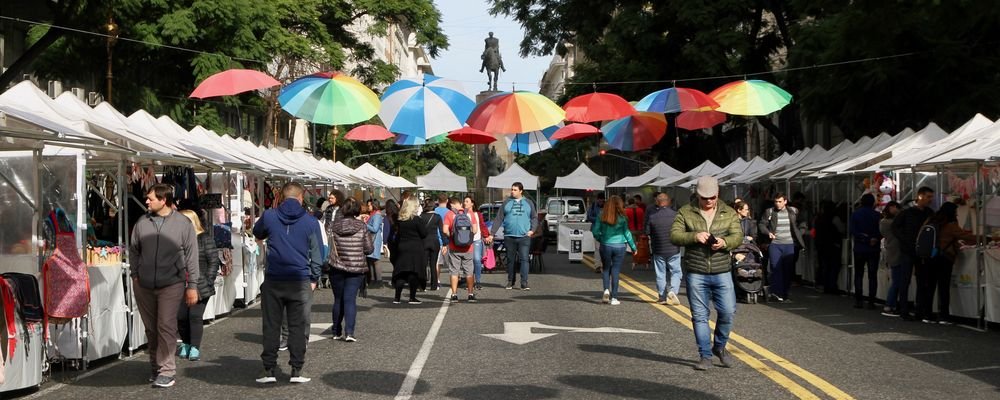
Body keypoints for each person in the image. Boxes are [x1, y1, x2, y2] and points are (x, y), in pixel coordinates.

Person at [129, 184, 200, 388]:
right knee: (151, 329)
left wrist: (192, 284)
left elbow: (191, 255)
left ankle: (167, 370)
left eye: (151, 198)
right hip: (143, 284)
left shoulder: (183, 223)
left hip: (172, 283)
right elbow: (134, 250)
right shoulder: (142, 222)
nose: (147, 201)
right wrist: (135, 274)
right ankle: (155, 367)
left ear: (164, 200)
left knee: (166, 326)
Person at [252, 182, 323, 384]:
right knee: (298, 326)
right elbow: (318, 254)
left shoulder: (269, 216)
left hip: (274, 279)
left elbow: (258, 233)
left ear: (282, 197)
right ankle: (296, 370)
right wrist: (314, 278)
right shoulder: (311, 222)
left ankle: (269, 370)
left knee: (271, 325)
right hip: (300, 279)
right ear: (301, 198)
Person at [670, 176, 742, 371]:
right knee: (700, 316)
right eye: (704, 198)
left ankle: (719, 347)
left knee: (728, 311)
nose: (708, 201)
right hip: (696, 271)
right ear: (697, 195)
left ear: (717, 194)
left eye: (712, 197)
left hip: (722, 270)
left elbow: (738, 236)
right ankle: (705, 355)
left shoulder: (728, 212)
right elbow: (674, 235)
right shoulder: (685, 211)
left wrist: (725, 242)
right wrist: (695, 236)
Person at [919, 202, 976, 325]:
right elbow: (967, 236)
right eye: (955, 212)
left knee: (930, 286)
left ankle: (927, 315)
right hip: (944, 259)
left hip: (929, 257)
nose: (956, 214)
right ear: (951, 212)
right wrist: (988, 238)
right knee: (943, 287)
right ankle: (944, 316)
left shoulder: (930, 220)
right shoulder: (951, 225)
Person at [176, 209, 220, 363]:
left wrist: (208, 280)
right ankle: (186, 343)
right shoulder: (176, 240)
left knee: (194, 316)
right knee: (181, 317)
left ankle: (194, 346)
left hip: (200, 285)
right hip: (179, 284)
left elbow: (214, 261)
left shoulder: (204, 238)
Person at [328, 198, 374, 340]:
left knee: (338, 299)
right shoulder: (361, 226)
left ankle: (336, 330)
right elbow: (368, 249)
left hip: (336, 266)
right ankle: (350, 332)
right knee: (349, 299)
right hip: (356, 267)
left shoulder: (333, 225)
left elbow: (328, 245)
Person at [891, 186, 935, 321]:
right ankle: (904, 309)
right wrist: (904, 240)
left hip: (923, 252)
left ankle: (919, 310)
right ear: (920, 196)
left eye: (931, 197)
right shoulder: (907, 212)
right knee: (906, 280)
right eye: (928, 197)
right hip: (908, 251)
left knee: (922, 281)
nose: (930, 200)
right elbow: (895, 227)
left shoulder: (929, 213)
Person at [758, 193, 806, 302]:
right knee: (776, 268)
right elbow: (762, 224)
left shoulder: (793, 211)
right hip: (775, 244)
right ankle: (776, 292)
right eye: (776, 201)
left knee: (788, 270)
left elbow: (802, 222)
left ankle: (785, 294)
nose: (777, 204)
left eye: (780, 201)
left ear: (785, 201)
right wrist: (768, 232)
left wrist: (800, 233)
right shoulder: (769, 212)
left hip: (789, 244)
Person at [491, 182, 539, 290]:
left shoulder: (529, 203)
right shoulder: (506, 203)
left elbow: (534, 218)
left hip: (524, 237)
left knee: (524, 259)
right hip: (509, 236)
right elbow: (499, 218)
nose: (512, 191)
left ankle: (524, 282)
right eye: (512, 189)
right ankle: (510, 281)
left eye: (515, 190)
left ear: (521, 191)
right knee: (510, 260)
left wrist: (532, 230)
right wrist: (492, 233)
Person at [591, 196, 637, 305]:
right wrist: (633, 247)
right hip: (620, 245)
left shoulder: (601, 215)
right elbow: (627, 233)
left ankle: (606, 290)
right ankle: (614, 298)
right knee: (615, 271)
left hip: (606, 244)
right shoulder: (623, 217)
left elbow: (595, 231)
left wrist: (601, 239)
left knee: (606, 269)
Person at [646, 193, 682, 305]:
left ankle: (662, 297)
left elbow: (647, 232)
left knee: (660, 273)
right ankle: (673, 291)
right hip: (673, 247)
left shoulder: (652, 216)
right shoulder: (676, 215)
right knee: (676, 271)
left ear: (657, 202)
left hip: (658, 248)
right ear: (669, 201)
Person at [443, 197, 480, 302]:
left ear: (452, 205)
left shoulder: (450, 214)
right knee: (469, 271)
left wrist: (452, 237)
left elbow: (445, 230)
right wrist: (469, 237)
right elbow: (475, 230)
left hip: (454, 247)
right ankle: (470, 294)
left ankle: (454, 295)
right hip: (468, 247)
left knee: (454, 271)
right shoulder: (469, 213)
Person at [850, 194, 882, 309]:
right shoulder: (878, 215)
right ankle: (871, 301)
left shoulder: (855, 214)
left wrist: (865, 238)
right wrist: (874, 238)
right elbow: (881, 231)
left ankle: (859, 300)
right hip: (874, 248)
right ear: (873, 202)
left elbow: (853, 231)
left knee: (858, 274)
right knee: (872, 275)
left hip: (859, 247)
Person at [394, 198, 428, 304]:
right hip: (415, 247)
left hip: (403, 246)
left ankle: (397, 297)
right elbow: (424, 233)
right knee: (414, 271)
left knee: (402, 271)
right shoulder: (417, 219)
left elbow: (398, 234)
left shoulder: (400, 219)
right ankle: (412, 297)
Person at [879, 201, 903, 317]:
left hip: (893, 252)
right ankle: (889, 305)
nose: (897, 210)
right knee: (897, 281)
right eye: (896, 208)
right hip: (895, 252)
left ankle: (891, 305)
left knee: (897, 280)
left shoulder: (884, 222)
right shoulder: (887, 222)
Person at [464, 196, 492, 290]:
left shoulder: (478, 214)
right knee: (468, 261)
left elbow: (482, 226)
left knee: (476, 259)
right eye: (464, 201)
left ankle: (478, 281)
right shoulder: (462, 214)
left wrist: (486, 235)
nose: (465, 203)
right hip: (465, 241)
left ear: (472, 203)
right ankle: (469, 281)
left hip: (476, 240)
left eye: (467, 201)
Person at [421, 199, 445, 291]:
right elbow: (442, 231)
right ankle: (434, 285)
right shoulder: (437, 217)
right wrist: (445, 243)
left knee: (423, 264)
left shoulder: (421, 216)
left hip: (424, 241)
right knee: (433, 264)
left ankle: (422, 285)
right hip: (435, 241)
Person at [365, 199, 384, 286]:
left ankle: (378, 280)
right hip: (372, 239)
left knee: (375, 260)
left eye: (369, 205)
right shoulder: (373, 214)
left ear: (373, 205)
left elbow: (375, 229)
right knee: (370, 260)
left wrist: (365, 224)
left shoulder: (376, 215)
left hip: (375, 239)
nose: (368, 207)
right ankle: (372, 280)